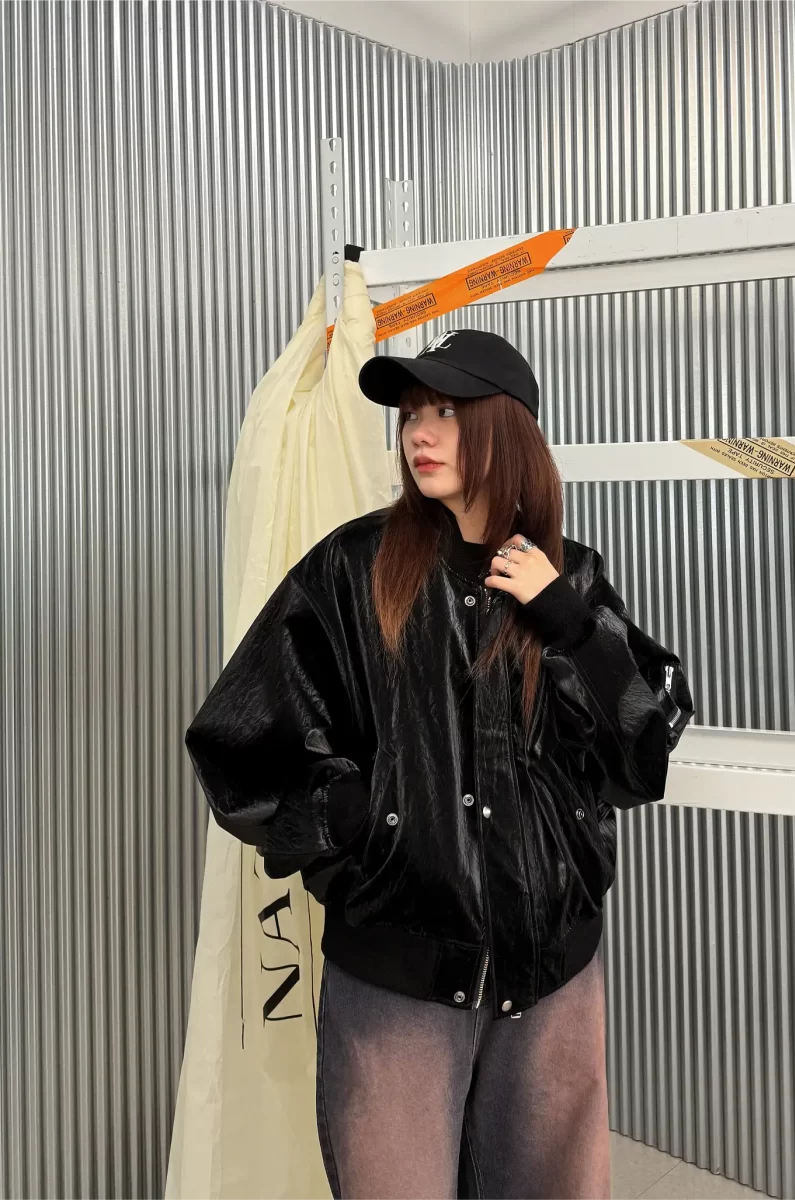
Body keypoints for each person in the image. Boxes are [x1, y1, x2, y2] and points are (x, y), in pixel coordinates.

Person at [185, 328, 694, 1200]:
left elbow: (641, 755)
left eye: (448, 412)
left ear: (508, 428)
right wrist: (365, 826)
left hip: (551, 981)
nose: (419, 432)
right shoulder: (353, 568)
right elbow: (241, 736)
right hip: (398, 981)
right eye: (412, 413)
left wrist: (566, 619)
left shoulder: (569, 578)